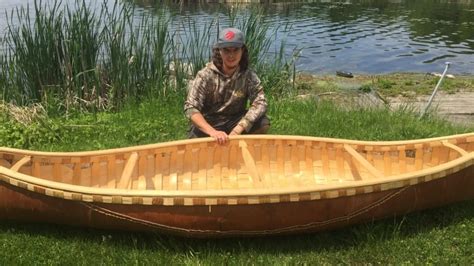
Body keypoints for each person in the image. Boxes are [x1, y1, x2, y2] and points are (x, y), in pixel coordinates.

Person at [184, 27, 270, 145]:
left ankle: (242, 149)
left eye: (235, 50)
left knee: (263, 122)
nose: (231, 55)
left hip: (235, 121)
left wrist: (239, 128)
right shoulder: (205, 75)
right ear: (219, 51)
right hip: (210, 122)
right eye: (227, 50)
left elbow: (261, 102)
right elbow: (191, 108)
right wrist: (213, 132)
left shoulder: (249, 76)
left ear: (242, 51)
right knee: (195, 143)